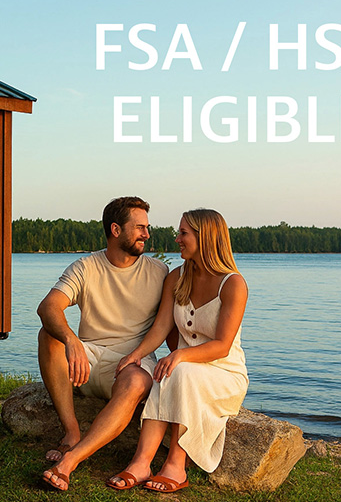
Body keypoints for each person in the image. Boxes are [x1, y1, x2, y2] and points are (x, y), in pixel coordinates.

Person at [105, 208, 248, 493]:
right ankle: (141, 463)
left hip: (224, 373)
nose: (177, 238)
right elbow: (160, 328)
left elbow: (222, 346)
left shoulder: (233, 284)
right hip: (183, 369)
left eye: (183, 233)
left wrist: (180, 354)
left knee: (176, 368)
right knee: (169, 371)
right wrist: (135, 355)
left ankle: (175, 465)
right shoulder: (176, 277)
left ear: (204, 237)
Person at [39, 196, 169, 491]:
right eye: (139, 228)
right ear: (115, 229)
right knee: (48, 335)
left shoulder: (159, 273)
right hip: (89, 357)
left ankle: (69, 462)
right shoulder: (86, 266)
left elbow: (172, 323)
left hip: (132, 361)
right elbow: (48, 307)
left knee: (137, 382)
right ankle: (71, 431)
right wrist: (71, 340)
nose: (147, 234)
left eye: (147, 227)